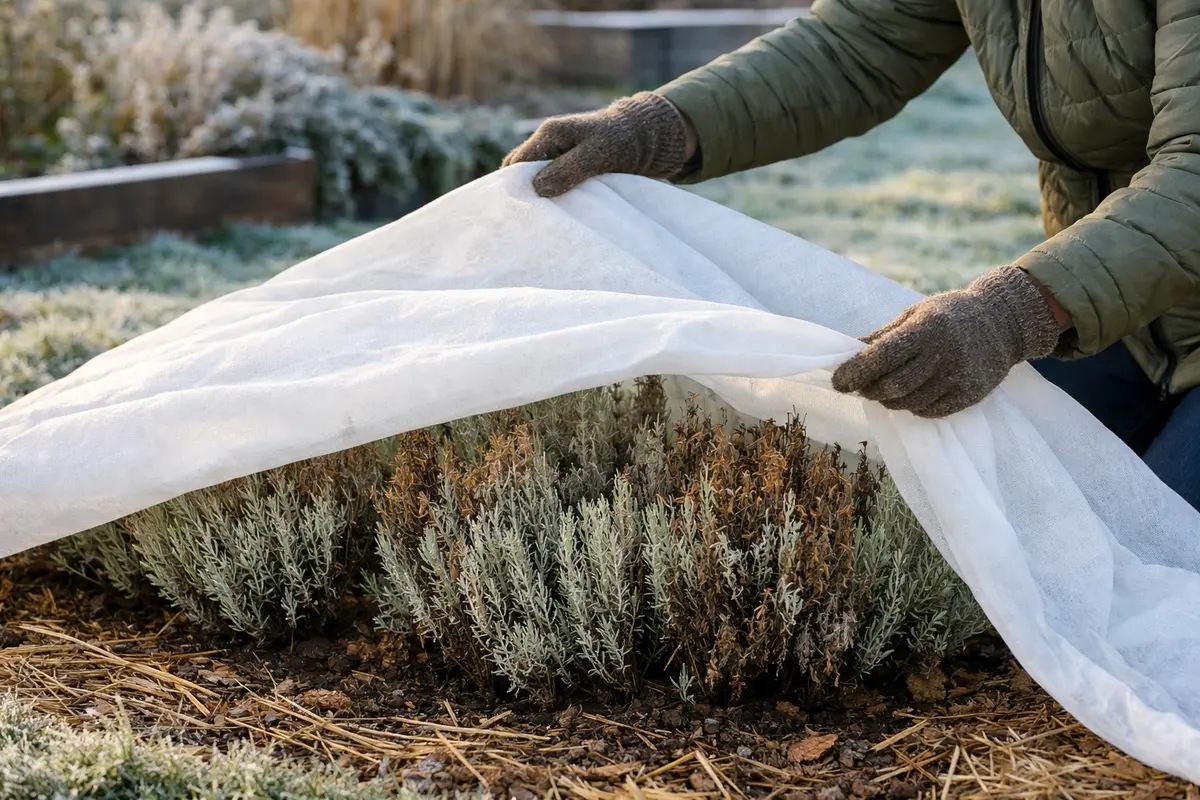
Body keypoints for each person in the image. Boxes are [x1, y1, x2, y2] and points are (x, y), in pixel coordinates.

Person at [503, 0, 1200, 509]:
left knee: (1159, 582)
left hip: (1122, 294)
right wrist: (655, 128)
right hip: (1127, 326)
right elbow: (855, 48)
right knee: (961, 522)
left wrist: (1013, 312)